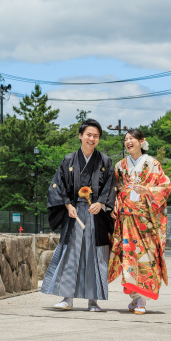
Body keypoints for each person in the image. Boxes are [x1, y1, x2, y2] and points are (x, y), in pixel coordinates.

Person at [41, 119, 116, 311]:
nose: (91, 138)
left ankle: (93, 300)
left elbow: (110, 187)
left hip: (96, 214)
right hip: (74, 213)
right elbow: (58, 185)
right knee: (72, 254)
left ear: (99, 139)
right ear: (80, 136)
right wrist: (67, 205)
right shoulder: (68, 160)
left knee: (94, 254)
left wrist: (100, 203)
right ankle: (67, 298)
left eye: (96, 136)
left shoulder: (105, 161)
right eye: (88, 135)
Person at [108, 129, 171, 315]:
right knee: (128, 260)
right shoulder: (120, 165)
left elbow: (165, 186)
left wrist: (148, 191)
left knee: (146, 259)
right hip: (126, 219)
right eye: (126, 139)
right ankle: (137, 298)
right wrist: (115, 202)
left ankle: (141, 298)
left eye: (132, 139)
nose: (128, 142)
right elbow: (115, 188)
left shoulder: (153, 164)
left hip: (146, 222)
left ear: (141, 141)